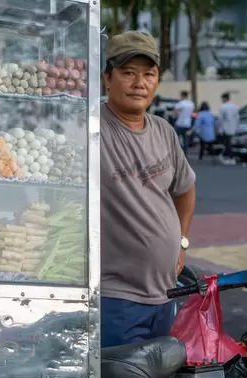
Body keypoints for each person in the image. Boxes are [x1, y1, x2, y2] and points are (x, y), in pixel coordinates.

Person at [101, 30, 197, 347]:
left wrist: (181, 241)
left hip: (165, 295)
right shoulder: (92, 129)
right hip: (115, 298)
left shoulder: (164, 132)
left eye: (148, 74)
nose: (139, 83)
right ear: (107, 78)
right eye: (127, 73)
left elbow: (185, 190)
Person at [218, 92, 240, 165]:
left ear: (224, 98)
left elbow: (220, 119)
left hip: (225, 128)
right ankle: (229, 157)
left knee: (227, 143)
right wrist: (237, 128)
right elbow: (237, 118)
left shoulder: (223, 107)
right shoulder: (235, 107)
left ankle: (230, 157)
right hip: (233, 127)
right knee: (229, 143)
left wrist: (220, 129)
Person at [173, 90, 194, 154]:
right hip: (187, 124)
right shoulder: (191, 103)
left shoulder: (180, 103)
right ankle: (185, 153)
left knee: (175, 138)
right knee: (185, 140)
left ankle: (176, 152)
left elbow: (175, 111)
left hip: (180, 123)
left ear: (182, 95)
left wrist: (177, 116)